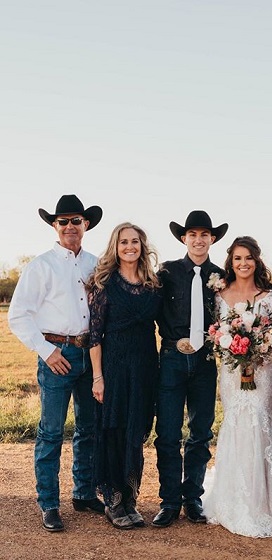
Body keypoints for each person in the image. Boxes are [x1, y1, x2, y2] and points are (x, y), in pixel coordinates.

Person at [8, 194, 105, 532]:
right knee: (51, 433)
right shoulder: (41, 266)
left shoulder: (97, 264)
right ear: (54, 225)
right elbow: (18, 316)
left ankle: (83, 493)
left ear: (86, 224)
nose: (69, 226)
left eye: (75, 220)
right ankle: (49, 502)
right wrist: (47, 352)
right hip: (56, 355)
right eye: (62, 221)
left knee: (88, 429)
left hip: (89, 353)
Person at [201, 236, 272, 538]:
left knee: (258, 423)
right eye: (238, 258)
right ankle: (234, 499)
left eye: (249, 258)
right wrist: (229, 350)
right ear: (231, 261)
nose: (243, 263)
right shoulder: (219, 294)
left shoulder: (269, 297)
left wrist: (259, 353)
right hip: (230, 374)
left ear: (257, 261)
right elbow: (214, 332)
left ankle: (267, 500)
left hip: (262, 373)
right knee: (236, 424)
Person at [152, 210, 228, 528]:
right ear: (184, 239)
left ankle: (192, 499)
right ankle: (169, 501)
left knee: (200, 432)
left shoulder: (221, 275)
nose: (198, 240)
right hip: (171, 357)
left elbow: (229, 316)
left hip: (205, 361)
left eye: (204, 235)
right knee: (168, 433)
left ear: (212, 239)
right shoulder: (167, 272)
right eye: (192, 235)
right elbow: (154, 311)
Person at [87, 222, 162, 529]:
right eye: (123, 242)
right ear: (115, 248)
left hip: (145, 368)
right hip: (114, 369)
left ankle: (131, 499)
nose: (130, 246)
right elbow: (95, 336)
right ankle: (114, 501)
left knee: (136, 434)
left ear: (142, 246)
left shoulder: (153, 286)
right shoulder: (104, 284)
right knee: (114, 433)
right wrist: (97, 377)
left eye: (135, 241)